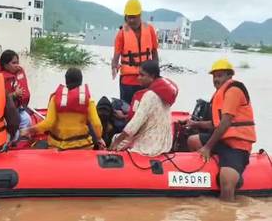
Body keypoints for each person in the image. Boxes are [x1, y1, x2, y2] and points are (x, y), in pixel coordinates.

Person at [185, 58, 256, 202]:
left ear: (229, 76)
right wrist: (194, 124)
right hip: (222, 141)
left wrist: (207, 147)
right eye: (214, 76)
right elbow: (215, 124)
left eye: (220, 75)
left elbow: (225, 123)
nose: (216, 79)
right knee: (193, 141)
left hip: (237, 145)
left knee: (227, 183)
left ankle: (226, 208)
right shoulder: (219, 93)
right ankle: (208, 174)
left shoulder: (233, 90)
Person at [21, 67, 103, 150]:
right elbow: (96, 124)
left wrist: (28, 130)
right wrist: (99, 137)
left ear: (66, 80)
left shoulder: (55, 98)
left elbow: (48, 123)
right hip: (83, 147)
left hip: (57, 147)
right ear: (81, 81)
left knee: (39, 144)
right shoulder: (88, 100)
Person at [109, 61, 178, 156]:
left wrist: (117, 141)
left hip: (151, 145)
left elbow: (133, 126)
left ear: (152, 76)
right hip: (165, 143)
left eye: (142, 75)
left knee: (115, 138)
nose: (138, 78)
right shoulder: (163, 93)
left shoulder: (149, 95)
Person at [111, 0, 159, 104]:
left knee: (145, 108)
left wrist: (156, 73)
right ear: (125, 17)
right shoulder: (121, 33)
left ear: (140, 15)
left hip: (147, 79)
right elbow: (116, 55)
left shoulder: (150, 29)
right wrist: (114, 67)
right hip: (127, 80)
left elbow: (154, 52)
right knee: (126, 108)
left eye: (134, 17)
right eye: (129, 17)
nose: (131, 20)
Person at [0, 50, 32, 130]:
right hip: (6, 112)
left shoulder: (18, 72)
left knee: (27, 120)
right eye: (14, 63)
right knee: (20, 124)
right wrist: (14, 94)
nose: (17, 65)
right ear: (5, 65)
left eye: (17, 62)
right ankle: (13, 137)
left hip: (19, 107)